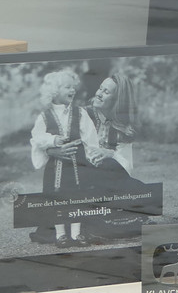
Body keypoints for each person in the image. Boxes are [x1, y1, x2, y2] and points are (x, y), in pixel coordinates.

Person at [28, 68, 93, 247]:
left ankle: (76, 234)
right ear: (55, 91)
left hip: (77, 165)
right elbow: (37, 138)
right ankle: (60, 234)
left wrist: (92, 157)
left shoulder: (80, 113)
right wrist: (52, 141)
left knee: (76, 198)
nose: (73, 90)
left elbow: (90, 137)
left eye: (73, 87)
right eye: (67, 87)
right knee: (56, 199)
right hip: (55, 168)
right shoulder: (45, 116)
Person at [78, 73, 147, 242]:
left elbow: (126, 166)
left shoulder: (122, 126)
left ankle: (111, 223)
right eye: (100, 88)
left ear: (117, 100)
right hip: (81, 172)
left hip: (108, 176)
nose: (99, 94)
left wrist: (110, 153)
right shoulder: (82, 114)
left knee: (139, 188)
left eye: (106, 92)